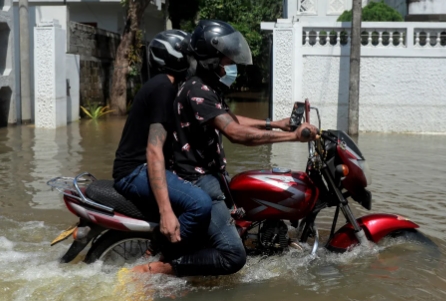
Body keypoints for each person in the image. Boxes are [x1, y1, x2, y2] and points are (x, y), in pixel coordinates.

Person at [131, 20, 319, 277]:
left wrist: (278, 124)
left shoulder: (208, 88)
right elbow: (235, 133)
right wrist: (294, 137)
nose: (231, 65)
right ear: (211, 58)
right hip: (198, 180)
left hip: (210, 175)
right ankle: (161, 269)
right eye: (227, 59)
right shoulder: (198, 90)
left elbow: (230, 120)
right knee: (233, 255)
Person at [112, 29, 213, 272]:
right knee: (200, 204)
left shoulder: (166, 87)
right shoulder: (162, 89)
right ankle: (160, 266)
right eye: (189, 56)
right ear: (175, 58)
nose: (193, 62)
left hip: (140, 169)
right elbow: (154, 149)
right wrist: (166, 212)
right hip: (134, 172)